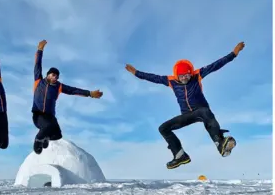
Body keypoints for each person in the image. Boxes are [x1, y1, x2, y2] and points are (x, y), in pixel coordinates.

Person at [125, 41, 245, 169]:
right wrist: (136, 73)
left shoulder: (197, 75)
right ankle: (180, 155)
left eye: (187, 75)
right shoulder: (171, 81)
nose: (185, 78)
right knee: (163, 128)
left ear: (191, 73)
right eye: (181, 76)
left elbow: (216, 65)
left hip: (201, 111)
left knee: (205, 112)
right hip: (187, 115)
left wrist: (233, 54)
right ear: (177, 75)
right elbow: (154, 78)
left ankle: (220, 144)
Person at [32, 40, 103, 154]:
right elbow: (37, 65)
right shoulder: (38, 81)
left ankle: (45, 137)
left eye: (57, 76)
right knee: (47, 126)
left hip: (50, 116)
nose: (55, 77)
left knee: (57, 135)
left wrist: (89, 93)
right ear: (48, 74)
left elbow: (73, 90)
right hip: (38, 114)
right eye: (53, 75)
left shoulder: (58, 87)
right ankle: (38, 139)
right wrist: (40, 50)